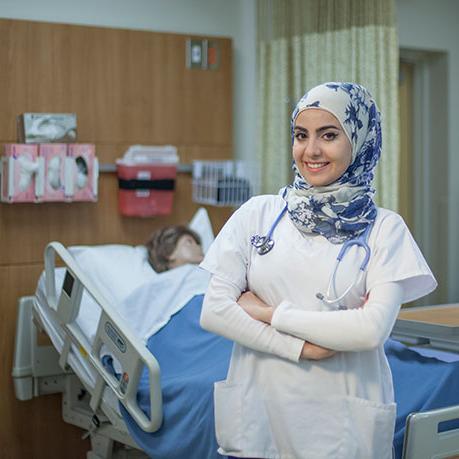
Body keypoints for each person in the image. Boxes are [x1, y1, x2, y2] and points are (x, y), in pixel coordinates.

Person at [199, 82, 437, 459]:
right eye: (300, 135)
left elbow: (370, 330)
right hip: (259, 418)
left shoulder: (384, 230)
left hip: (341, 426)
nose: (310, 151)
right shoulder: (257, 215)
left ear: (359, 141)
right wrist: (301, 348)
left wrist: (268, 312)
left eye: (329, 135)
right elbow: (214, 311)